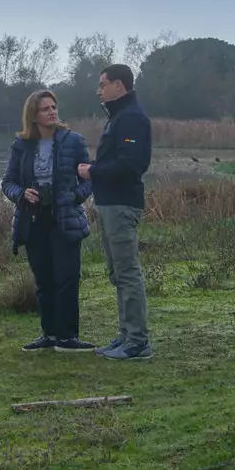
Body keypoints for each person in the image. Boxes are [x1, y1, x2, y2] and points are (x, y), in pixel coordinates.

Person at [1, 90, 95, 353]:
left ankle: (68, 337)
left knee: (67, 277)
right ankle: (49, 334)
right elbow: (7, 182)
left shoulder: (73, 141)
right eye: (46, 109)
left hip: (64, 218)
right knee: (44, 279)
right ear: (34, 115)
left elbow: (89, 179)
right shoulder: (21, 145)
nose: (53, 112)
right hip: (33, 219)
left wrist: (75, 197)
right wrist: (21, 194)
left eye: (54, 107)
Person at [78, 64, 153, 361]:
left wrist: (92, 172)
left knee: (127, 272)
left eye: (102, 84)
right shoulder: (120, 117)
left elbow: (132, 164)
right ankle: (126, 335)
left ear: (119, 86)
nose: (98, 91)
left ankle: (137, 341)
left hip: (122, 204)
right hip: (110, 203)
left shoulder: (132, 118)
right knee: (117, 272)